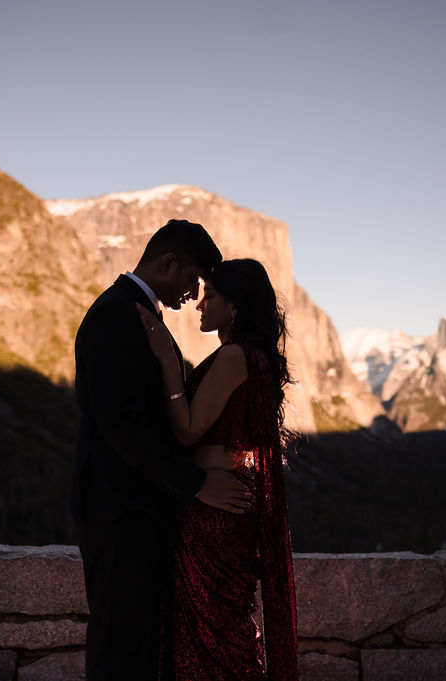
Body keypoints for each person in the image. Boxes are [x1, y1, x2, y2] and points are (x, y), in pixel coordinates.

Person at [72, 219, 253, 681]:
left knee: (139, 650)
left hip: (139, 515)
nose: (194, 296)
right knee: (121, 650)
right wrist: (196, 485)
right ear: (168, 263)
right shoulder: (118, 315)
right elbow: (124, 427)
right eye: (194, 280)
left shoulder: (134, 313)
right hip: (122, 516)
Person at [138, 258, 298, 681]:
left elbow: (189, 432)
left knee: (213, 640)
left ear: (235, 306)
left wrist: (169, 365)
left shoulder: (233, 357)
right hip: (230, 508)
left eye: (210, 296)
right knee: (226, 633)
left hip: (213, 516)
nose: (199, 304)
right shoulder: (256, 356)